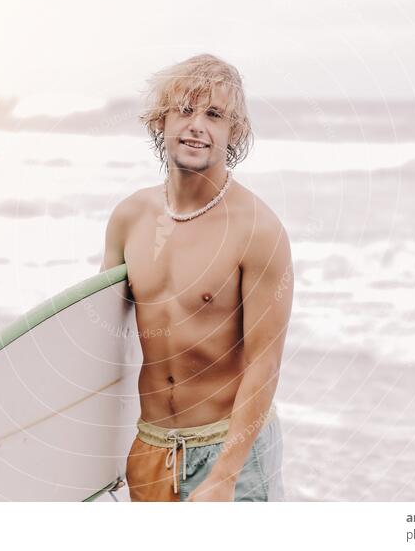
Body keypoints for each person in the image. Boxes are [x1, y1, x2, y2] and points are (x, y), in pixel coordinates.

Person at [100, 54, 293, 502]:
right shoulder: (129, 218)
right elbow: (100, 343)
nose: (196, 126)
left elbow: (264, 365)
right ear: (160, 122)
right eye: (183, 110)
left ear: (234, 132)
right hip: (150, 448)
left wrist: (225, 476)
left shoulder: (258, 230)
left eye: (213, 114)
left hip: (229, 451)